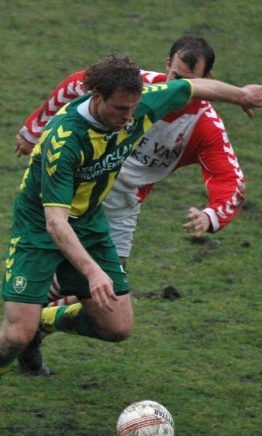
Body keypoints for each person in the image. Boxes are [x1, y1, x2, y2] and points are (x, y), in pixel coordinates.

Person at [0, 53, 262, 436]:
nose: (129, 118)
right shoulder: (65, 139)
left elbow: (195, 87)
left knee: (117, 327)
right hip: (39, 229)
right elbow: (56, 224)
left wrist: (240, 94)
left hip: (89, 224)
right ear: (97, 97)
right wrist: (92, 271)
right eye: (121, 110)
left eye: (133, 108)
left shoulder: (139, 104)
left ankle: (44, 320)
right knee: (13, 338)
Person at [15, 37, 244, 268]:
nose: (181, 85)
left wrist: (211, 215)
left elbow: (230, 178)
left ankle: (46, 300)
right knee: (69, 264)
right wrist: (33, 130)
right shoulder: (137, 87)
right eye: (176, 76)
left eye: (189, 81)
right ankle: (35, 293)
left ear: (207, 80)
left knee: (112, 279)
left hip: (125, 198)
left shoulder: (204, 126)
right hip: (85, 179)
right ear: (167, 64)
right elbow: (76, 83)